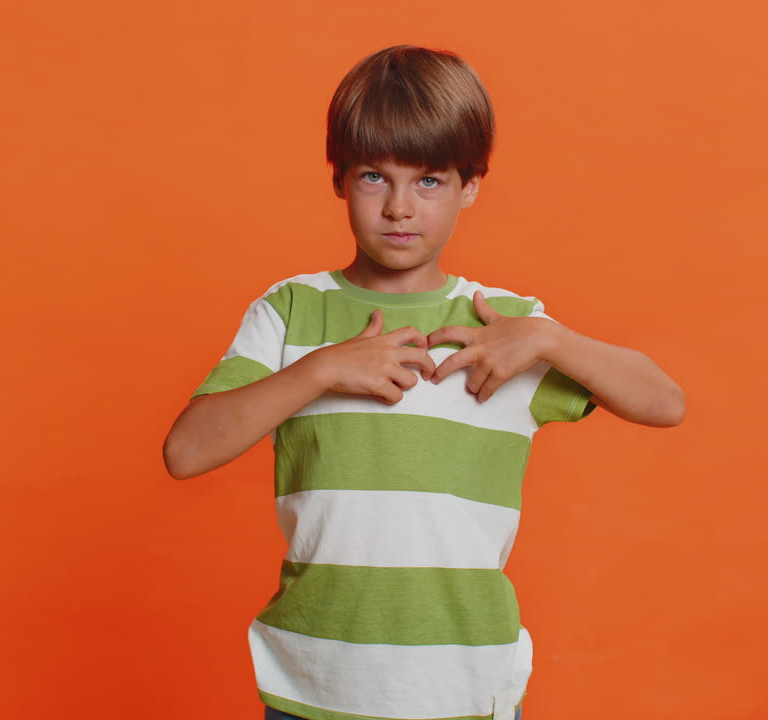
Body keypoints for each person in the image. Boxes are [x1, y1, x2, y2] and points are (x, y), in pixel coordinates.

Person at [163, 44, 685, 720]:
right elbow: (185, 452)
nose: (400, 207)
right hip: (312, 685)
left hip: (465, 687)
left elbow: (663, 402)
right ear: (339, 180)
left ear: (471, 185)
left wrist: (551, 339)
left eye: (430, 181)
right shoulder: (291, 312)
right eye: (374, 177)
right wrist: (320, 369)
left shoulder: (507, 327)